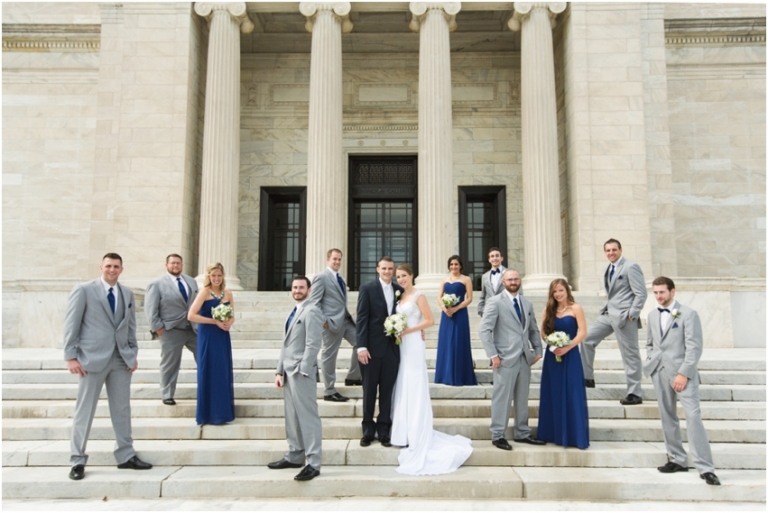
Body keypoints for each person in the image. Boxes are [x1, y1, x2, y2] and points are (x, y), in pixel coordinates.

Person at [63, 253, 152, 480]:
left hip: (121, 359)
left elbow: (130, 325)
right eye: (108, 266)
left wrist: (132, 353)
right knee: (85, 410)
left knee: (122, 409)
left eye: (116, 266)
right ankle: (77, 460)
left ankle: (125, 455)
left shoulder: (127, 293)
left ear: (121, 269)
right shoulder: (84, 290)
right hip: (91, 359)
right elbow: (71, 324)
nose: (112, 270)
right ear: (100, 267)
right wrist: (71, 356)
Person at [391, 264, 473, 475]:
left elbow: (430, 320)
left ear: (412, 276)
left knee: (415, 383)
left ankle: (417, 430)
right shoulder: (399, 296)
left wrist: (408, 330)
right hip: (402, 345)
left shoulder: (419, 296)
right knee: (404, 382)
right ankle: (402, 431)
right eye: (398, 276)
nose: (401, 279)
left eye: (404, 275)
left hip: (413, 343)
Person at [644, 277, 720, 486]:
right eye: (655, 292)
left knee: (693, 417)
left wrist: (684, 373)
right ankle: (677, 459)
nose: (658, 296)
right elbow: (650, 344)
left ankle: (705, 468)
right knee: (667, 416)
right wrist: (651, 361)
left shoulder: (688, 314)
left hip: (683, 374)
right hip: (660, 372)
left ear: (673, 291)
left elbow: (694, 347)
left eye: (662, 292)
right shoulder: (652, 315)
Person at [479, 269, 544, 450]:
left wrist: (538, 350)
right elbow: (484, 330)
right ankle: (498, 435)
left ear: (520, 280)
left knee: (522, 397)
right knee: (502, 398)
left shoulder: (526, 303)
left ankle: (522, 432)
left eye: (516, 279)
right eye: (510, 280)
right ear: (503, 282)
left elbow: (533, 328)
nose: (513, 282)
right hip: (504, 358)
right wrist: (493, 355)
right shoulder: (495, 302)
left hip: (524, 357)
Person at [268, 276, 324, 482]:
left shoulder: (312, 311)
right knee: (292, 416)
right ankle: (294, 455)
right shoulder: (294, 311)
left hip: (301, 373)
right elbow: (286, 344)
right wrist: (279, 371)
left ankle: (313, 463)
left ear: (309, 290)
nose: (297, 290)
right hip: (288, 372)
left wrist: (304, 369)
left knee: (308, 418)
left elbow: (313, 343)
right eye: (295, 287)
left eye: (301, 287)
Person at [580, 238, 647, 406]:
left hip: (625, 316)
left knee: (630, 353)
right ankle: (587, 378)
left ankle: (634, 393)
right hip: (608, 314)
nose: (611, 253)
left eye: (614, 250)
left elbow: (641, 293)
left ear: (620, 250)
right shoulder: (608, 268)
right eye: (608, 250)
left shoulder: (631, 267)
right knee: (586, 339)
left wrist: (632, 314)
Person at [356, 256, 404, 447]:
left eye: (390, 269)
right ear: (377, 269)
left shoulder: (399, 290)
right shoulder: (367, 289)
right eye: (384, 268)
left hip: (392, 349)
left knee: (387, 392)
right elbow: (362, 318)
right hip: (370, 350)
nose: (387, 272)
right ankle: (368, 430)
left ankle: (384, 429)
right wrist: (361, 346)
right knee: (369, 391)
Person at [537, 279, 590, 449]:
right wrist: (552, 344)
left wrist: (568, 347)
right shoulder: (548, 310)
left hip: (571, 354)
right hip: (553, 355)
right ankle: (552, 433)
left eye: (561, 290)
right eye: (555, 291)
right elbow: (543, 332)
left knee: (572, 392)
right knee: (553, 391)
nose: (558, 294)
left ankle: (574, 435)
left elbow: (583, 332)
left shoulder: (576, 308)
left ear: (567, 290)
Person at [144, 253, 198, 406]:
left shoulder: (191, 281)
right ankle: (167, 394)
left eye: (178, 263)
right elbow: (150, 309)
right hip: (170, 330)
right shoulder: (156, 284)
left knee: (205, 358)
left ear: (182, 265)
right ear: (166, 265)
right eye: (172, 263)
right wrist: (158, 328)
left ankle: (208, 391)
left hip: (193, 330)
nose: (175, 265)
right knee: (169, 364)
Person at [309, 248, 362, 403]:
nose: (337, 262)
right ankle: (329, 390)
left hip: (346, 320)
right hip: (331, 323)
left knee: (361, 343)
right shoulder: (321, 277)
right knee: (329, 355)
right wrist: (324, 321)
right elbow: (314, 303)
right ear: (328, 259)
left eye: (339, 259)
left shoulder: (340, 278)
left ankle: (353, 377)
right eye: (334, 259)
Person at [187, 262, 235, 425]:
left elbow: (233, 315)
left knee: (222, 370)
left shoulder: (228, 293)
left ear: (223, 276)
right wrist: (214, 322)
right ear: (209, 276)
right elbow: (191, 315)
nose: (216, 278)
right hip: (208, 335)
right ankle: (207, 414)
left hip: (222, 335)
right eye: (213, 275)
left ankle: (221, 413)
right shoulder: (204, 292)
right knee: (209, 369)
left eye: (219, 275)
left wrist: (228, 323)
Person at [434, 255, 478, 386]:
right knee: (446, 341)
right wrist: (444, 307)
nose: (454, 267)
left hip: (460, 313)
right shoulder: (444, 279)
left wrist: (456, 308)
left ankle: (460, 375)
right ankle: (444, 375)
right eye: (451, 264)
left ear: (460, 266)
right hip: (446, 314)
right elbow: (439, 297)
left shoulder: (466, 279)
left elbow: (469, 298)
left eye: (456, 264)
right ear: (449, 266)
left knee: (459, 341)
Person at [477, 247, 509, 317]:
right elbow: (483, 295)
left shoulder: (510, 273)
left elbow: (518, 293)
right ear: (489, 260)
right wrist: (481, 311)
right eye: (492, 256)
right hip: (489, 311)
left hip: (506, 311)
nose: (495, 258)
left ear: (502, 258)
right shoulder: (484, 276)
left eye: (497, 256)